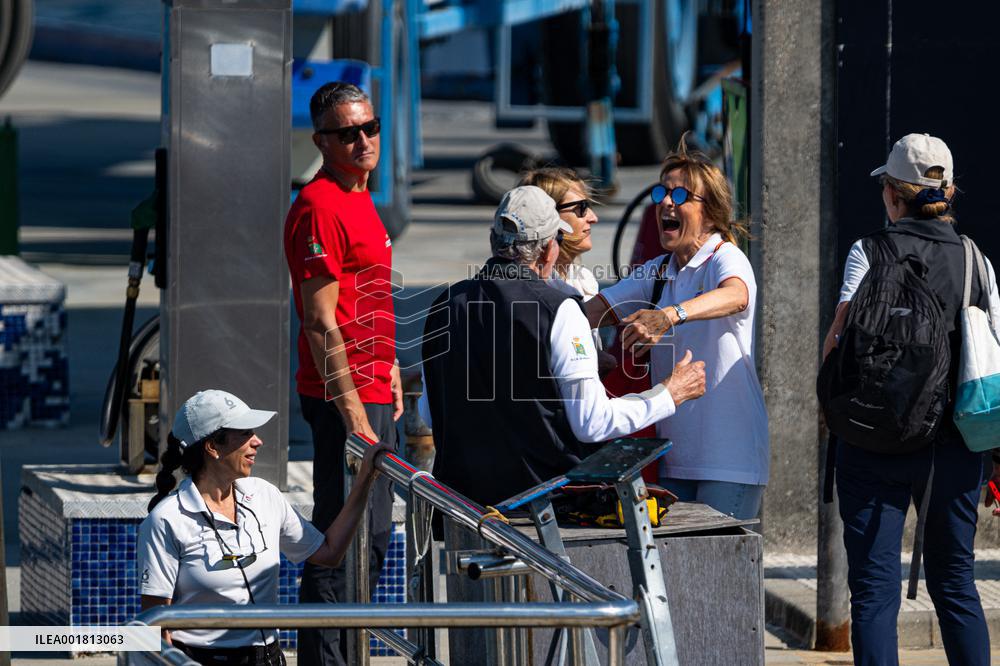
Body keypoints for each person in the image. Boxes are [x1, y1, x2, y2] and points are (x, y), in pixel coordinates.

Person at [822, 133, 1000, 666]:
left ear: (891, 194)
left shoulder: (868, 251)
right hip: (953, 447)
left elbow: (838, 341)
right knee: (956, 582)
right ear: (949, 192)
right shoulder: (976, 261)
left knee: (874, 591)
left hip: (871, 441)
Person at [418, 185, 706, 506]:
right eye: (557, 239)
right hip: (540, 510)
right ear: (547, 250)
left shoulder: (444, 305)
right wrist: (668, 395)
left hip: (461, 505)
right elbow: (592, 423)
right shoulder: (559, 309)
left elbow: (430, 413)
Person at [583, 137, 769, 520]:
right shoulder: (657, 271)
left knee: (720, 562)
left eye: (681, 195)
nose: (667, 202)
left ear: (711, 214)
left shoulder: (724, 257)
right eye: (662, 193)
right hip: (673, 460)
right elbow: (593, 311)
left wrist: (669, 315)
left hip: (728, 461)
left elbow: (737, 296)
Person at [282, 81, 403, 666]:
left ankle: (344, 653)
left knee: (374, 537)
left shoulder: (361, 194)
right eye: (348, 133)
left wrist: (392, 364)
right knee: (341, 538)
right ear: (320, 142)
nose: (363, 141)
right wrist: (353, 413)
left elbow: (368, 292)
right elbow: (319, 320)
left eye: (369, 127)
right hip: (344, 396)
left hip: (373, 383)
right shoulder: (319, 206)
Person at [138, 390, 391, 666]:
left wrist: (365, 480)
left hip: (268, 658)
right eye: (245, 433)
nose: (257, 441)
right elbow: (155, 626)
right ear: (212, 447)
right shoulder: (167, 519)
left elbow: (329, 553)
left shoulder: (264, 495)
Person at [518, 167, 600, 301]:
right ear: (547, 216)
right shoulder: (528, 289)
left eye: (589, 206)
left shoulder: (584, 279)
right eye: (581, 208)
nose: (594, 218)